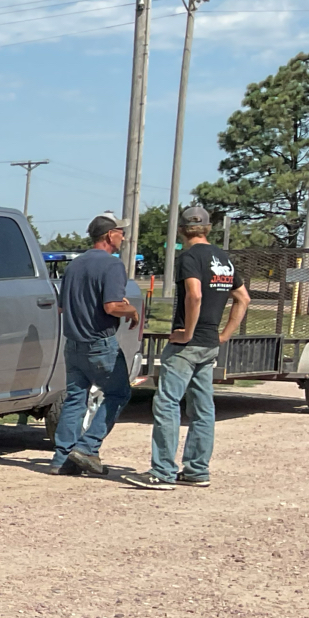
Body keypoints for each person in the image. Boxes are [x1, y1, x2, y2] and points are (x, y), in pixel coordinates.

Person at [124, 206, 249, 490]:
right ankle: (197, 470)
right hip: (209, 344)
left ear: (181, 230)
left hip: (187, 344)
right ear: (207, 228)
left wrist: (186, 332)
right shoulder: (223, 259)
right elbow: (243, 298)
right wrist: (224, 334)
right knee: (203, 407)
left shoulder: (189, 258)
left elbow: (194, 294)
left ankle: (163, 471)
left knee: (168, 403)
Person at [52, 213, 141, 476]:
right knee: (118, 393)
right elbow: (111, 306)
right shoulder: (112, 266)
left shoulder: (74, 265)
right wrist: (132, 311)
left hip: (73, 343)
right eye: (120, 232)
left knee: (75, 398)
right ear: (109, 235)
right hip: (99, 343)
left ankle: (62, 459)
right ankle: (88, 447)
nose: (123, 236)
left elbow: (61, 307)